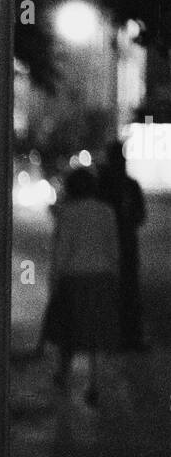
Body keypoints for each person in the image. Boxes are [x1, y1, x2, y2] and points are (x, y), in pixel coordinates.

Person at [42, 166, 119, 404]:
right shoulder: (106, 211)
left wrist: (53, 279)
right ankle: (94, 383)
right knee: (97, 332)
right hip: (102, 275)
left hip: (74, 276)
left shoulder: (68, 212)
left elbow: (62, 249)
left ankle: (63, 374)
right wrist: (114, 275)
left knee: (69, 330)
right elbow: (113, 247)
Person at [97, 140, 148, 350]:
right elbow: (140, 216)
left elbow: (139, 215)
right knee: (126, 293)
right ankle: (127, 337)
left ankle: (120, 337)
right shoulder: (126, 185)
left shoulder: (106, 185)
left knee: (118, 292)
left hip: (116, 246)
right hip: (122, 245)